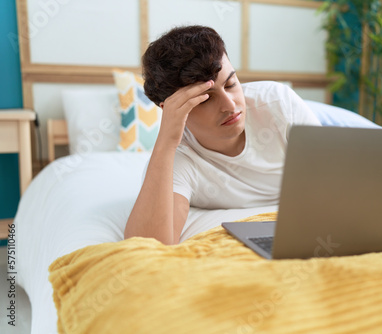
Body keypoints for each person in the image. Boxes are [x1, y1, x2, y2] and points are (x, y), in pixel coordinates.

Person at [124, 25, 321, 245]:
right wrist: (165, 143)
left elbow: (334, 180)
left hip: (302, 114)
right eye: (206, 98)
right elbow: (147, 246)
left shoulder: (278, 103)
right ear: (171, 109)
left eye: (230, 83)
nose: (230, 105)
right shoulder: (179, 159)